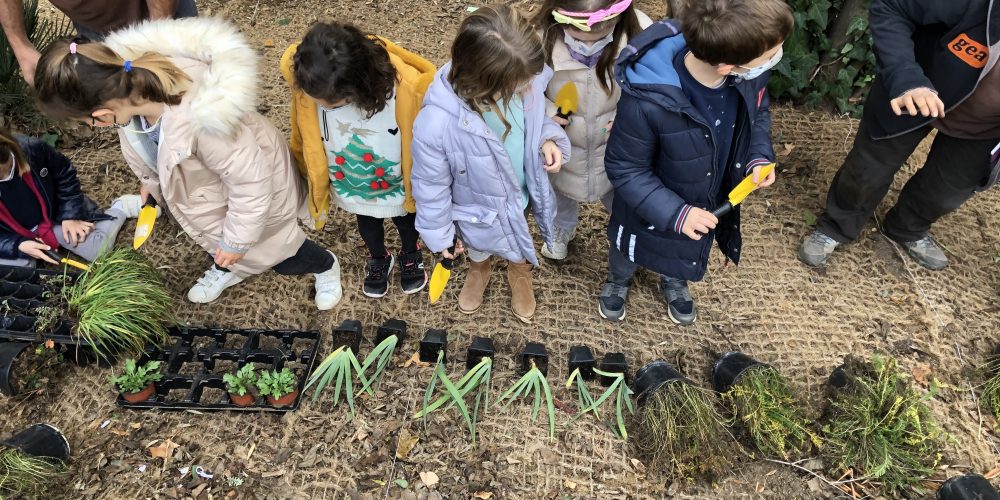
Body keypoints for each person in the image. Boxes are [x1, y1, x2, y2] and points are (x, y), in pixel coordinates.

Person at [32, 18, 343, 309]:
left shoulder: (204, 119)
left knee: (279, 251)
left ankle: (324, 265)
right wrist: (151, 182)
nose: (95, 127)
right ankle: (228, 264)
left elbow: (251, 183)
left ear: (101, 115)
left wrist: (236, 241)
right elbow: (154, 151)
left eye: (88, 122)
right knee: (218, 244)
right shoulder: (131, 95)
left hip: (258, 198)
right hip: (213, 200)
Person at [597, 0, 791, 324]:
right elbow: (626, 168)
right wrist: (676, 213)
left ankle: (674, 279)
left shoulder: (747, 75)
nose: (774, 59)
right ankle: (618, 280)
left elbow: (757, 114)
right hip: (648, 206)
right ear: (727, 67)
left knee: (685, 244)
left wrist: (757, 156)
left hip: (704, 194)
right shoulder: (648, 100)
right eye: (770, 56)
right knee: (627, 249)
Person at [799, 0, 1000, 271]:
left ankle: (907, 228)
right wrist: (905, 76)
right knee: (867, 171)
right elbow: (891, 7)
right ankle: (836, 226)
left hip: (984, 127)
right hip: (915, 91)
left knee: (946, 192)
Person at [411, 4, 570, 324]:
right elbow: (430, 186)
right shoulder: (437, 123)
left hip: (519, 192)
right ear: (483, 83)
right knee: (478, 243)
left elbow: (538, 121)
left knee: (519, 233)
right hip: (474, 207)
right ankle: (479, 268)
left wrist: (547, 139)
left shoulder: (526, 81)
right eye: (518, 85)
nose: (528, 88)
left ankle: (519, 272)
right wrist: (441, 236)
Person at [281, 21, 435, 298]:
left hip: (396, 177)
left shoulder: (405, 90)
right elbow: (301, 134)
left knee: (406, 220)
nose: (321, 106)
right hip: (354, 178)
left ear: (358, 85)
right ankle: (379, 256)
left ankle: (410, 252)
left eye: (330, 104)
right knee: (367, 221)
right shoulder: (309, 84)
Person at [531, 0, 652, 261]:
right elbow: (525, 91)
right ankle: (562, 227)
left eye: (601, 36)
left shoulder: (641, 33)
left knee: (620, 194)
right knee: (559, 190)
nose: (588, 46)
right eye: (577, 38)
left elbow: (652, 89)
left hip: (616, 142)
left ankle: (627, 231)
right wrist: (547, 114)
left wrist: (631, 116)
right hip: (563, 142)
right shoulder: (538, 38)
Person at [0, 127, 146, 267]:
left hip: (52, 217)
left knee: (98, 250)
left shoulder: (32, 149)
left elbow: (65, 174)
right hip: (10, 235)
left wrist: (69, 216)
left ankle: (121, 207)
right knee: (17, 272)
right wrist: (16, 245)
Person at [0, 0, 197, 87]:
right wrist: (20, 44)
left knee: (188, 86)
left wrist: (158, 30)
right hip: (92, 23)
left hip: (162, 11)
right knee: (133, 103)